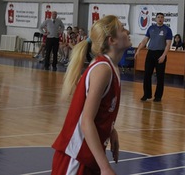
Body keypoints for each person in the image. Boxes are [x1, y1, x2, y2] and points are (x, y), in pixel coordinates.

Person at [51, 15, 131, 175]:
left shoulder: (111, 67)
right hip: (76, 158)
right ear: (112, 40)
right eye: (122, 29)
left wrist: (111, 130)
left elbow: (101, 109)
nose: (127, 31)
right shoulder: (103, 69)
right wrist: (105, 167)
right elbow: (86, 120)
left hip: (89, 156)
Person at [134, 13, 173, 102]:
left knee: (160, 76)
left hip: (160, 53)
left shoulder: (167, 30)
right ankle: (146, 94)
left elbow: (168, 45)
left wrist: (163, 55)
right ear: (155, 19)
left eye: (162, 17)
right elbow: (145, 40)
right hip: (150, 53)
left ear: (164, 19)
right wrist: (138, 50)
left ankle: (158, 96)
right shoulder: (151, 28)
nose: (160, 19)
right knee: (147, 74)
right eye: (158, 17)